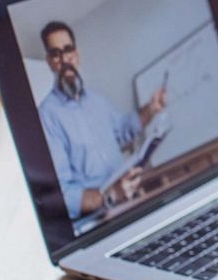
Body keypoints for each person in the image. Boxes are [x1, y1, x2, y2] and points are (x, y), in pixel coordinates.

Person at [38, 20, 168, 220]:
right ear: (49, 61)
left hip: (131, 197)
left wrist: (151, 109)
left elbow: (123, 130)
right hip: (100, 217)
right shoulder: (47, 115)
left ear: (77, 55)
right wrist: (110, 195)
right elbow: (61, 194)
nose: (64, 59)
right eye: (56, 54)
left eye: (68, 50)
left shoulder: (97, 101)